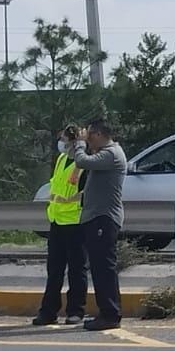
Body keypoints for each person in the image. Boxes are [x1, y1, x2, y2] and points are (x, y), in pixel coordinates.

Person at [72, 118, 127, 331]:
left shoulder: (111, 154)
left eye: (89, 136)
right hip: (97, 218)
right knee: (100, 267)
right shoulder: (105, 154)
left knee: (104, 269)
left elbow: (81, 161)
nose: (88, 140)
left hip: (104, 218)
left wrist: (78, 143)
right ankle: (109, 312)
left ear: (97, 134)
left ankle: (110, 314)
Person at [32, 126, 89, 326]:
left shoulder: (83, 162)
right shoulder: (62, 159)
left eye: (64, 140)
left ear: (74, 142)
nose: (61, 144)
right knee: (54, 270)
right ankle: (48, 311)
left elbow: (87, 192)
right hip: (56, 221)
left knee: (76, 270)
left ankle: (76, 311)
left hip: (75, 222)